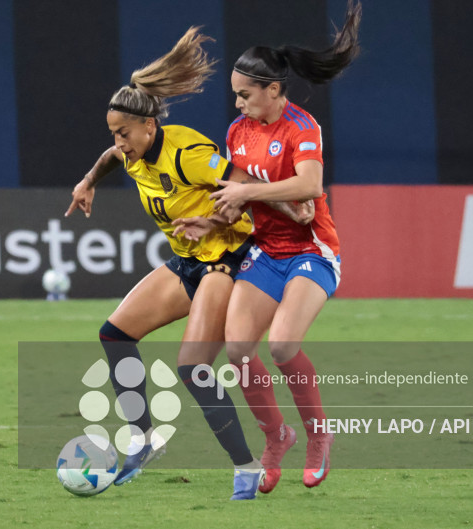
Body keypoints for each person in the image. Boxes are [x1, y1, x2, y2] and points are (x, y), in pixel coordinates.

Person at [65, 27, 312, 500]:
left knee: (194, 366)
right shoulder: (131, 150)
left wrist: (291, 207)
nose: (118, 142)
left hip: (225, 262)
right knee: (114, 335)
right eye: (113, 133)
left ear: (150, 126)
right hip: (186, 262)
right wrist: (88, 180)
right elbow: (111, 157)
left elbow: (240, 183)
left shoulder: (188, 153)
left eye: (123, 133)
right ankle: (143, 439)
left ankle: (245, 466)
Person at [173, 1, 362, 493]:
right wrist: (211, 218)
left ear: (273, 90)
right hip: (266, 253)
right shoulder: (238, 133)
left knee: (281, 345)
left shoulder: (301, 128)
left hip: (312, 252)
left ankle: (320, 436)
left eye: (244, 95)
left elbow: (310, 187)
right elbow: (235, 203)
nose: (237, 105)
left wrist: (247, 192)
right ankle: (276, 437)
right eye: (235, 96)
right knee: (237, 350)